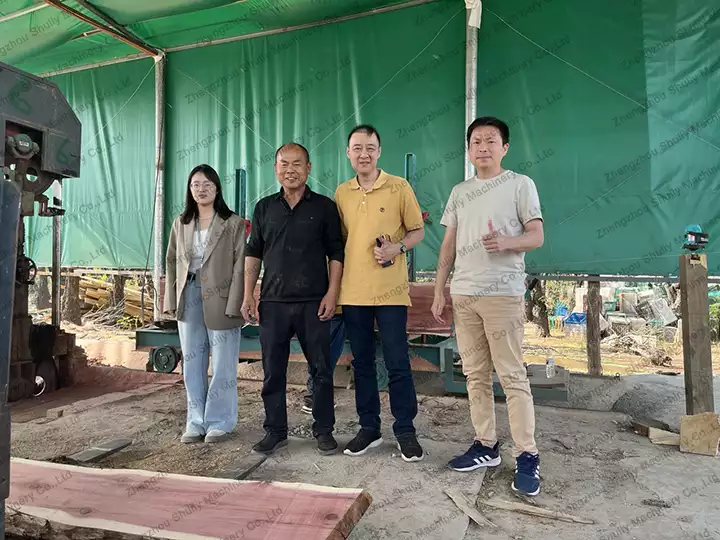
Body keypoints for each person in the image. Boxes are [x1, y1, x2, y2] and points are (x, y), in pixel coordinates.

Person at [431, 116, 544, 496]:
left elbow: (537, 236)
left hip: (503, 294)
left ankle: (527, 454)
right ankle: (486, 446)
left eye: (490, 141)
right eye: (476, 141)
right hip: (465, 294)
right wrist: (438, 289)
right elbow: (448, 245)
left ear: (504, 147)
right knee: (475, 374)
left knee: (512, 376)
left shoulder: (519, 185)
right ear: (469, 149)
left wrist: (507, 242)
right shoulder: (460, 191)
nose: (483, 147)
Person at [241, 142, 344, 456]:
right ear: (275, 169)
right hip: (273, 303)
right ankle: (275, 430)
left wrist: (332, 293)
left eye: (297, 163)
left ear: (309, 168)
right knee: (273, 370)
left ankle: (324, 431)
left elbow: (336, 253)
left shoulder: (325, 207)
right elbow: (253, 253)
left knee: (322, 369)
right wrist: (249, 293)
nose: (290, 170)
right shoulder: (264, 208)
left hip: (314, 302)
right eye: (284, 164)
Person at [334, 124, 425, 462]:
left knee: (398, 362)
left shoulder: (399, 187)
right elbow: (340, 241)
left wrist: (396, 249)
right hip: (353, 293)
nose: (364, 154)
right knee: (362, 364)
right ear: (348, 153)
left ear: (379, 151)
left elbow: (417, 230)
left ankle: (405, 430)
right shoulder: (342, 193)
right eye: (357, 148)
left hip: (390, 293)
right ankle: (369, 428)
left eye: (370, 147)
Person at [163, 164, 247, 444]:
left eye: (207, 184)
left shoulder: (232, 223)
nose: (201, 189)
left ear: (217, 188)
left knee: (223, 361)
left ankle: (220, 421)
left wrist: (237, 301)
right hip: (189, 293)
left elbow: (240, 265)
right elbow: (172, 261)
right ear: (190, 189)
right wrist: (170, 300)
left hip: (222, 295)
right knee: (192, 360)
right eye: (196, 184)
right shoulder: (181, 222)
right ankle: (195, 420)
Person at [302, 309, 346, 414]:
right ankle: (317, 395)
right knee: (327, 352)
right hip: (333, 310)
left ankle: (316, 393)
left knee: (319, 350)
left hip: (314, 308)